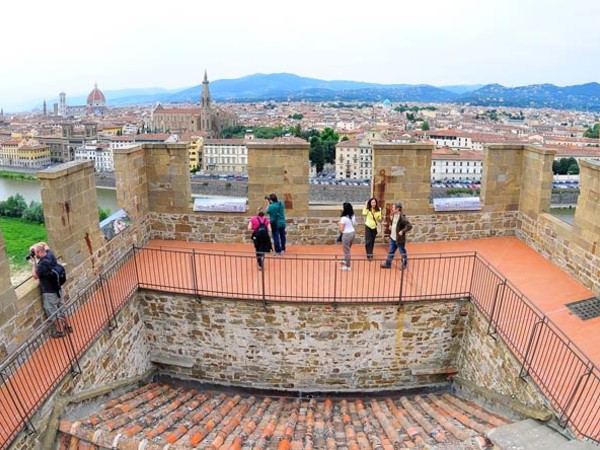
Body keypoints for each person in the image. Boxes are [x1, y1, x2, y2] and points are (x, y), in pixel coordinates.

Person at [29, 242, 72, 338]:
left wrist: (33, 263)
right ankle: (68, 326)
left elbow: (35, 276)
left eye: (35, 252)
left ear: (39, 252)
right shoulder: (50, 254)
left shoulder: (42, 264)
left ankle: (60, 331)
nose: (34, 254)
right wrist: (34, 247)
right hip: (58, 289)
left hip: (49, 292)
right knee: (61, 308)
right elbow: (44, 243)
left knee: (51, 311)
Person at [380, 202, 413, 270]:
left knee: (402, 252)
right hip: (393, 237)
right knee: (391, 251)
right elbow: (393, 223)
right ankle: (388, 264)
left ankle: (404, 264)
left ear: (397, 209)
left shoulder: (402, 218)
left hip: (399, 239)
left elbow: (409, 226)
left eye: (393, 208)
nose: (392, 209)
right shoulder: (394, 215)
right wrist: (391, 226)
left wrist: (402, 231)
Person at [338, 202, 356, 271]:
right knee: (348, 248)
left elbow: (341, 229)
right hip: (352, 233)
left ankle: (347, 266)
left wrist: (339, 224)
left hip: (346, 234)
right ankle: (345, 260)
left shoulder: (343, 218)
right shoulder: (353, 215)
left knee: (346, 251)